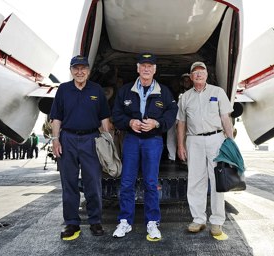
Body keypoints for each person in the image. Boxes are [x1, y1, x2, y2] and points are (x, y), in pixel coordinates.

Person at [112, 52, 178, 241]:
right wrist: (129, 122)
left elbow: (172, 112)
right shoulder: (125, 90)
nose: (146, 69)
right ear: (138, 68)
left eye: (150, 66)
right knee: (127, 182)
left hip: (153, 141)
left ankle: (152, 222)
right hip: (132, 139)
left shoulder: (163, 92)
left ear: (155, 70)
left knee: (150, 182)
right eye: (143, 65)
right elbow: (116, 114)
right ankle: (125, 221)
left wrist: (157, 124)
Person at [50, 55, 111, 240]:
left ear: (88, 71)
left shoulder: (96, 90)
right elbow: (56, 118)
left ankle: (95, 221)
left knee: (93, 181)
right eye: (76, 68)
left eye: (83, 68)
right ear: (71, 70)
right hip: (67, 139)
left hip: (91, 139)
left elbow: (104, 118)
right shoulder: (63, 90)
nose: (80, 72)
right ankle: (72, 223)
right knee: (69, 183)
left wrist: (107, 141)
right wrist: (55, 140)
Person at [176, 61, 234, 237]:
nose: (199, 74)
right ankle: (198, 219)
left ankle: (216, 222)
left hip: (216, 139)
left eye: (202, 72)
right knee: (195, 180)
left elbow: (226, 118)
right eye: (195, 72)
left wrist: (230, 142)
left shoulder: (218, 92)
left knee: (217, 180)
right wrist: (180, 145)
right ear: (191, 77)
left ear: (207, 74)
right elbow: (181, 123)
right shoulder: (185, 97)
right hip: (193, 141)